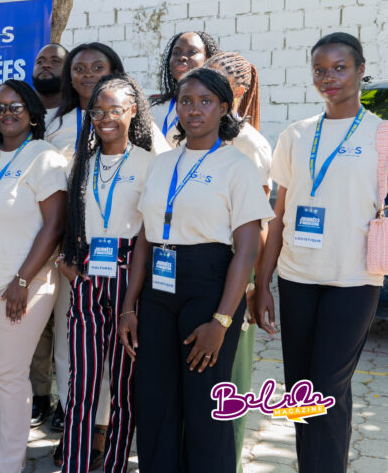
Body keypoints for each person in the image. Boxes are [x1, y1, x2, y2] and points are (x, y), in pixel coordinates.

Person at [119, 67, 273, 472]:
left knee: (206, 406)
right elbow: (145, 240)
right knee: (155, 401)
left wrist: (221, 321)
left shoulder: (237, 166)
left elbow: (246, 249)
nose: (194, 110)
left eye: (206, 101)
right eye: (186, 101)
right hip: (158, 287)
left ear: (224, 108)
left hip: (210, 288)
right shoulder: (161, 163)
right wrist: (129, 307)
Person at [253, 32, 383, 473]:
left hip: (354, 279)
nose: (328, 77)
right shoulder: (296, 134)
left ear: (361, 70)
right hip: (296, 276)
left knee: (327, 389)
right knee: (302, 391)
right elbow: (278, 214)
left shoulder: (381, 135)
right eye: (320, 69)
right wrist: (262, 282)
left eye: (340, 67)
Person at [0, 80, 67, 473]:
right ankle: (9, 451)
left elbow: (54, 226)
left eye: (15, 106)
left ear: (33, 112)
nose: (6, 114)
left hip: (25, 282)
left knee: (8, 373)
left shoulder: (45, 157)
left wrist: (23, 279)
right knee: (0, 372)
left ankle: (8, 463)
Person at [58, 74, 156, 473]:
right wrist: (67, 265)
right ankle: (76, 463)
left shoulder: (152, 164)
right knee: (81, 382)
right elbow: (71, 220)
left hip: (128, 275)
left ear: (132, 111)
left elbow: (150, 234)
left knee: (124, 386)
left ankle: (115, 463)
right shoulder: (81, 163)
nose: (105, 118)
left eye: (115, 110)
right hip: (86, 277)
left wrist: (131, 301)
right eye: (98, 111)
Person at [204, 51, 272, 473]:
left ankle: (227, 459)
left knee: (230, 373)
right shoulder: (191, 133)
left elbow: (258, 225)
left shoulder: (250, 144)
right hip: (197, 268)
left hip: (234, 269)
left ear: (240, 92)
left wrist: (252, 282)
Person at [29, 42, 68, 430]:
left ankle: (68, 403)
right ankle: (38, 396)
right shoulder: (23, 112)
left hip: (71, 240)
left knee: (64, 328)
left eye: (55, 60)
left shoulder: (82, 114)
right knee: (34, 328)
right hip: (31, 237)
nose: (47, 65)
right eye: (41, 60)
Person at [151, 31, 220, 147]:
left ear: (208, 59)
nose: (182, 57)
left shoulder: (216, 108)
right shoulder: (155, 109)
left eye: (192, 52)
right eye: (176, 53)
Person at [32, 43, 68, 127]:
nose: (45, 65)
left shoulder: (82, 114)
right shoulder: (18, 111)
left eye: (55, 61)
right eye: (40, 62)